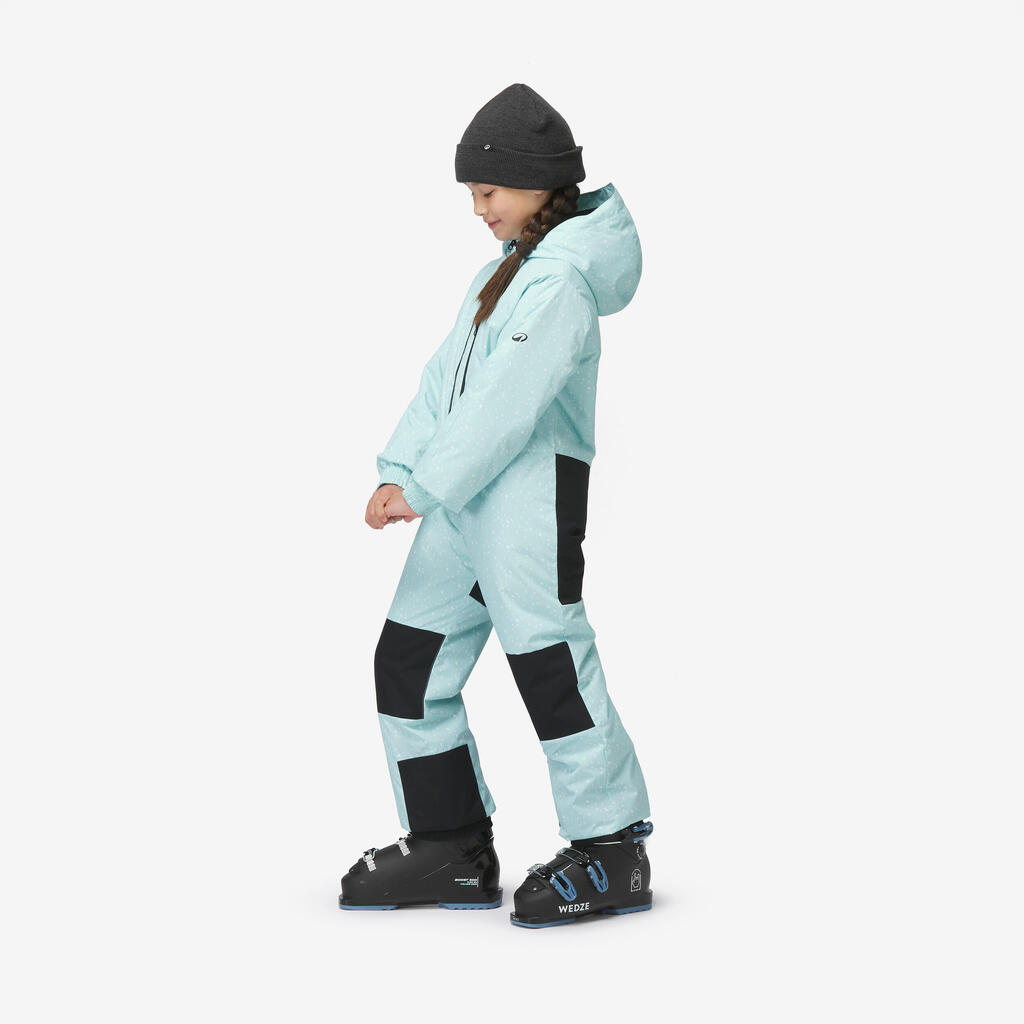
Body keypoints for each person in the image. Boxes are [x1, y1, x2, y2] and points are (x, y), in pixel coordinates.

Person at [338, 83, 654, 928]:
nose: (479, 210)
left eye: (489, 192)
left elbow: (502, 408)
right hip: (461, 503)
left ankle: (612, 847)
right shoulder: (501, 274)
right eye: (473, 195)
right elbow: (444, 382)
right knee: (408, 663)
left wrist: (425, 485)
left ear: (539, 182)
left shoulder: (560, 286)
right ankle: (451, 843)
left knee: (549, 665)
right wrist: (400, 467)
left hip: (528, 498)